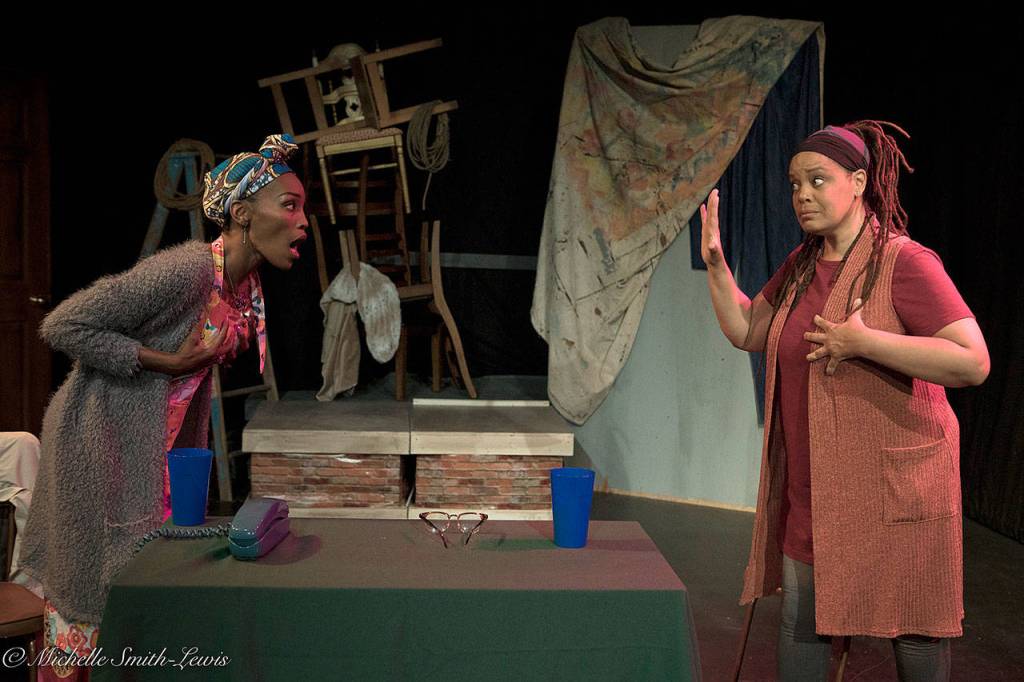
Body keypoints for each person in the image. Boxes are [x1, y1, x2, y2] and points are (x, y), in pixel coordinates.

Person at [700, 121, 989, 681]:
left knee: (915, 627)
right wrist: (716, 264)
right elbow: (746, 330)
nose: (801, 195)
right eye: (793, 184)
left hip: (895, 485)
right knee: (802, 620)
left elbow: (971, 360)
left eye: (817, 180)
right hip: (819, 484)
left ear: (859, 182)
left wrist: (865, 342)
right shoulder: (803, 263)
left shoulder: (905, 261)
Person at [17, 134, 308, 679]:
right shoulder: (186, 270)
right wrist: (164, 362)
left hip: (154, 445)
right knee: (88, 596)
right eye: (289, 206)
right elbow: (63, 324)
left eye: (303, 208)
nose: (303, 222)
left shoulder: (242, 287)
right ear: (242, 214)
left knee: (143, 588)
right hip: (95, 438)